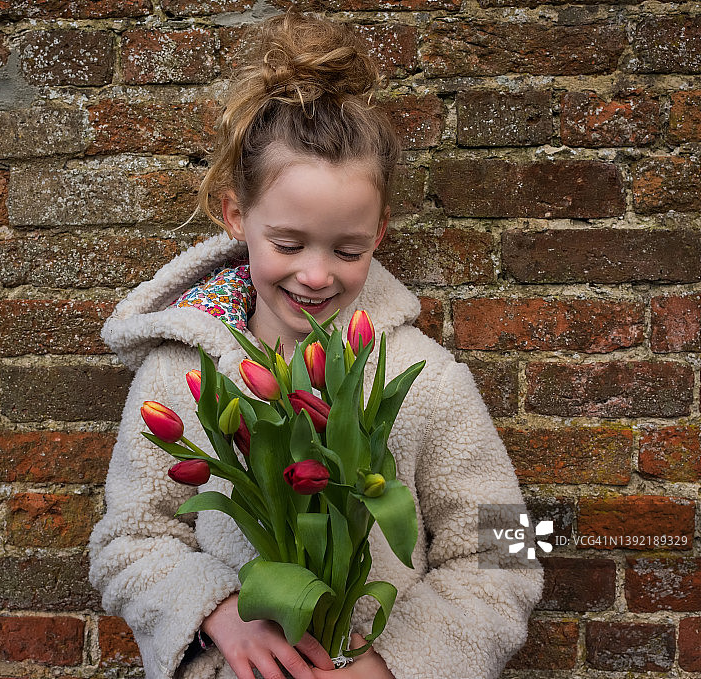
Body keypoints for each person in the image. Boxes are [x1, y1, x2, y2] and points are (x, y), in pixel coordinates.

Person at [89, 10, 543, 679]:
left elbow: (509, 551)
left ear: (381, 230)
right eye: (289, 243)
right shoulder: (176, 373)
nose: (315, 273)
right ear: (237, 216)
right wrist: (216, 607)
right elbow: (125, 540)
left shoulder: (427, 377)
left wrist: (396, 663)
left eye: (347, 248)